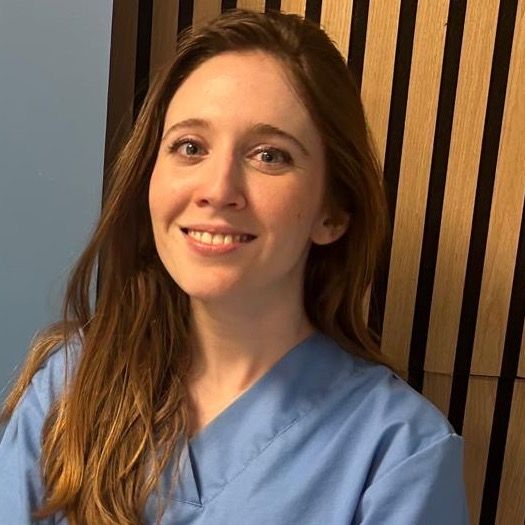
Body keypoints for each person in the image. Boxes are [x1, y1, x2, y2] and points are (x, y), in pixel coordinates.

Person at [0, 8, 469, 525]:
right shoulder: (69, 386)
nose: (218, 189)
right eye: (190, 147)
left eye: (270, 155)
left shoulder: (399, 455)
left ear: (333, 212)